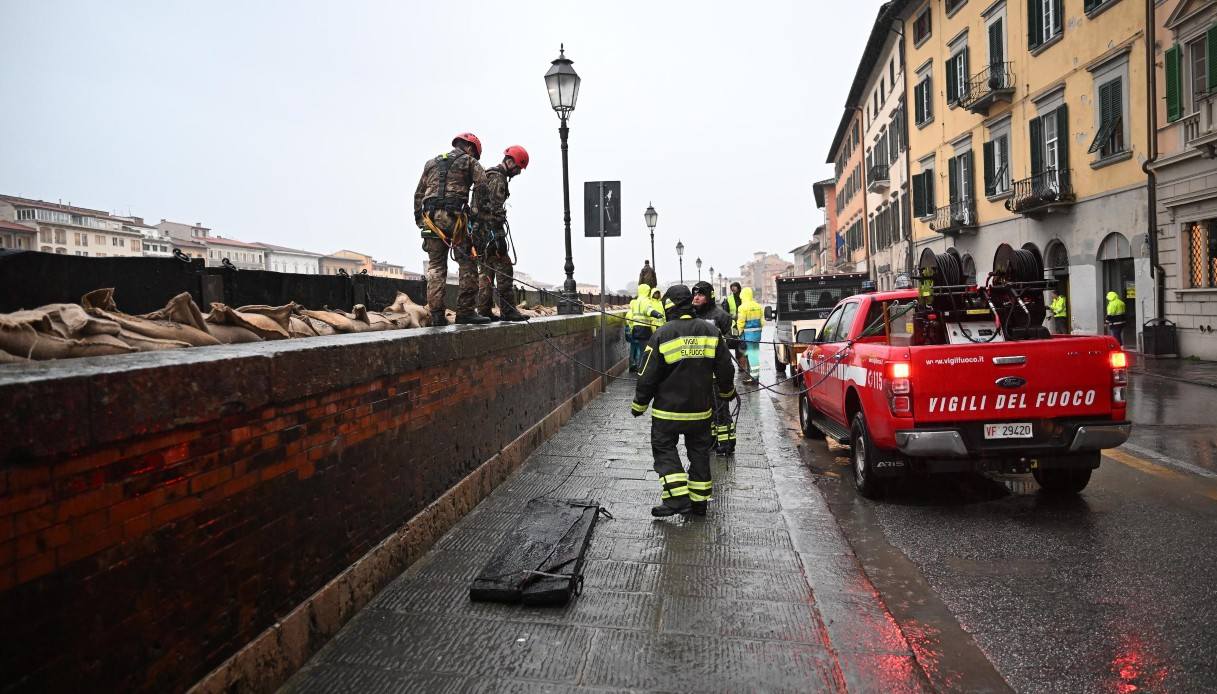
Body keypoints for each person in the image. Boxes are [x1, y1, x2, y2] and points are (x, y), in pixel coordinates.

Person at [631, 285, 736, 517]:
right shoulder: (710, 332)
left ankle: (678, 499)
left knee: (664, 449)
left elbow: (647, 374)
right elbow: (726, 368)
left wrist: (639, 405)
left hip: (668, 413)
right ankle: (699, 503)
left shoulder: (662, 334)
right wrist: (727, 393)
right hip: (701, 411)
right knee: (699, 453)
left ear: (669, 307)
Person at [414, 132, 490, 325]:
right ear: (471, 148)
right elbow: (482, 187)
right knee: (468, 263)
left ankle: (437, 316)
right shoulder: (470, 162)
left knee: (436, 268)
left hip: (431, 220)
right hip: (455, 219)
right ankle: (465, 312)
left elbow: (418, 194)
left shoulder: (431, 163)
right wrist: (477, 215)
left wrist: (420, 221)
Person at [475, 145, 530, 322]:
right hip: (490, 231)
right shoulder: (498, 178)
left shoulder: (488, 174)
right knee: (504, 269)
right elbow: (494, 209)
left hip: (480, 233)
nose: (518, 173)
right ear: (510, 162)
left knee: (486, 272)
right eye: (518, 168)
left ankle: (484, 310)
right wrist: (497, 236)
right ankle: (508, 311)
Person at [693, 281, 737, 455]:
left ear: (709, 296)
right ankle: (711, 441)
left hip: (716, 372)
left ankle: (726, 443)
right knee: (705, 410)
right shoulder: (690, 316)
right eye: (694, 294)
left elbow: (734, 339)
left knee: (721, 410)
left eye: (700, 294)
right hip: (697, 373)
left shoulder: (721, 316)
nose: (696, 297)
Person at [626, 283, 663, 372]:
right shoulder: (645, 301)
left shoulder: (637, 301)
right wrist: (657, 314)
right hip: (644, 329)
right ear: (647, 291)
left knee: (641, 349)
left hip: (636, 329)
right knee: (645, 351)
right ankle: (642, 369)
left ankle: (640, 368)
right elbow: (648, 310)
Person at [736, 287, 764, 382]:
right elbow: (762, 321)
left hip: (748, 335)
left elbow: (741, 322)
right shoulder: (758, 306)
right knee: (755, 354)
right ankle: (755, 375)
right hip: (757, 335)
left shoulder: (742, 307)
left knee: (751, 355)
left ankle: (754, 377)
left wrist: (739, 332)